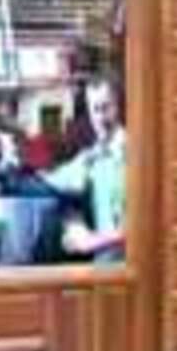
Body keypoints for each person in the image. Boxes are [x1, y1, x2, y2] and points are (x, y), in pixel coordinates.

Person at [43, 78, 125, 263]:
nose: (101, 117)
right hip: (103, 268)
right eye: (95, 109)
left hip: (132, 270)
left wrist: (91, 242)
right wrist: (73, 230)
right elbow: (51, 184)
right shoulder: (91, 157)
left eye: (106, 107)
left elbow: (145, 225)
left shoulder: (136, 154)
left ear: (118, 107)